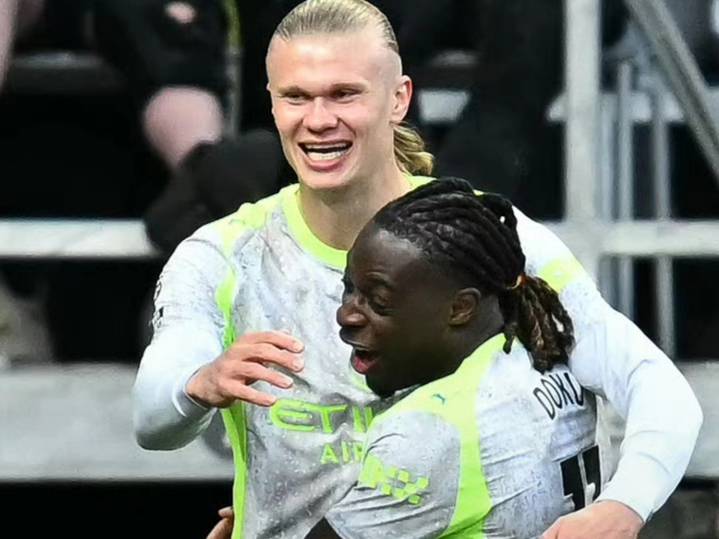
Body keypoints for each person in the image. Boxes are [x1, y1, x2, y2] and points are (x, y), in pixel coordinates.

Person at [133, 1, 702, 538]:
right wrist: (199, 385)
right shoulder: (224, 252)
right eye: (296, 97)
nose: (319, 120)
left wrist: (623, 507)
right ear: (272, 103)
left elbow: (652, 383)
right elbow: (153, 419)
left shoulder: (492, 238)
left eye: (344, 94)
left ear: (399, 99)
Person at [324, 178, 612, 537]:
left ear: (461, 308)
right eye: (348, 288)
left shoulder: (430, 430)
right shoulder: (553, 354)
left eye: (379, 301)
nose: (346, 315)